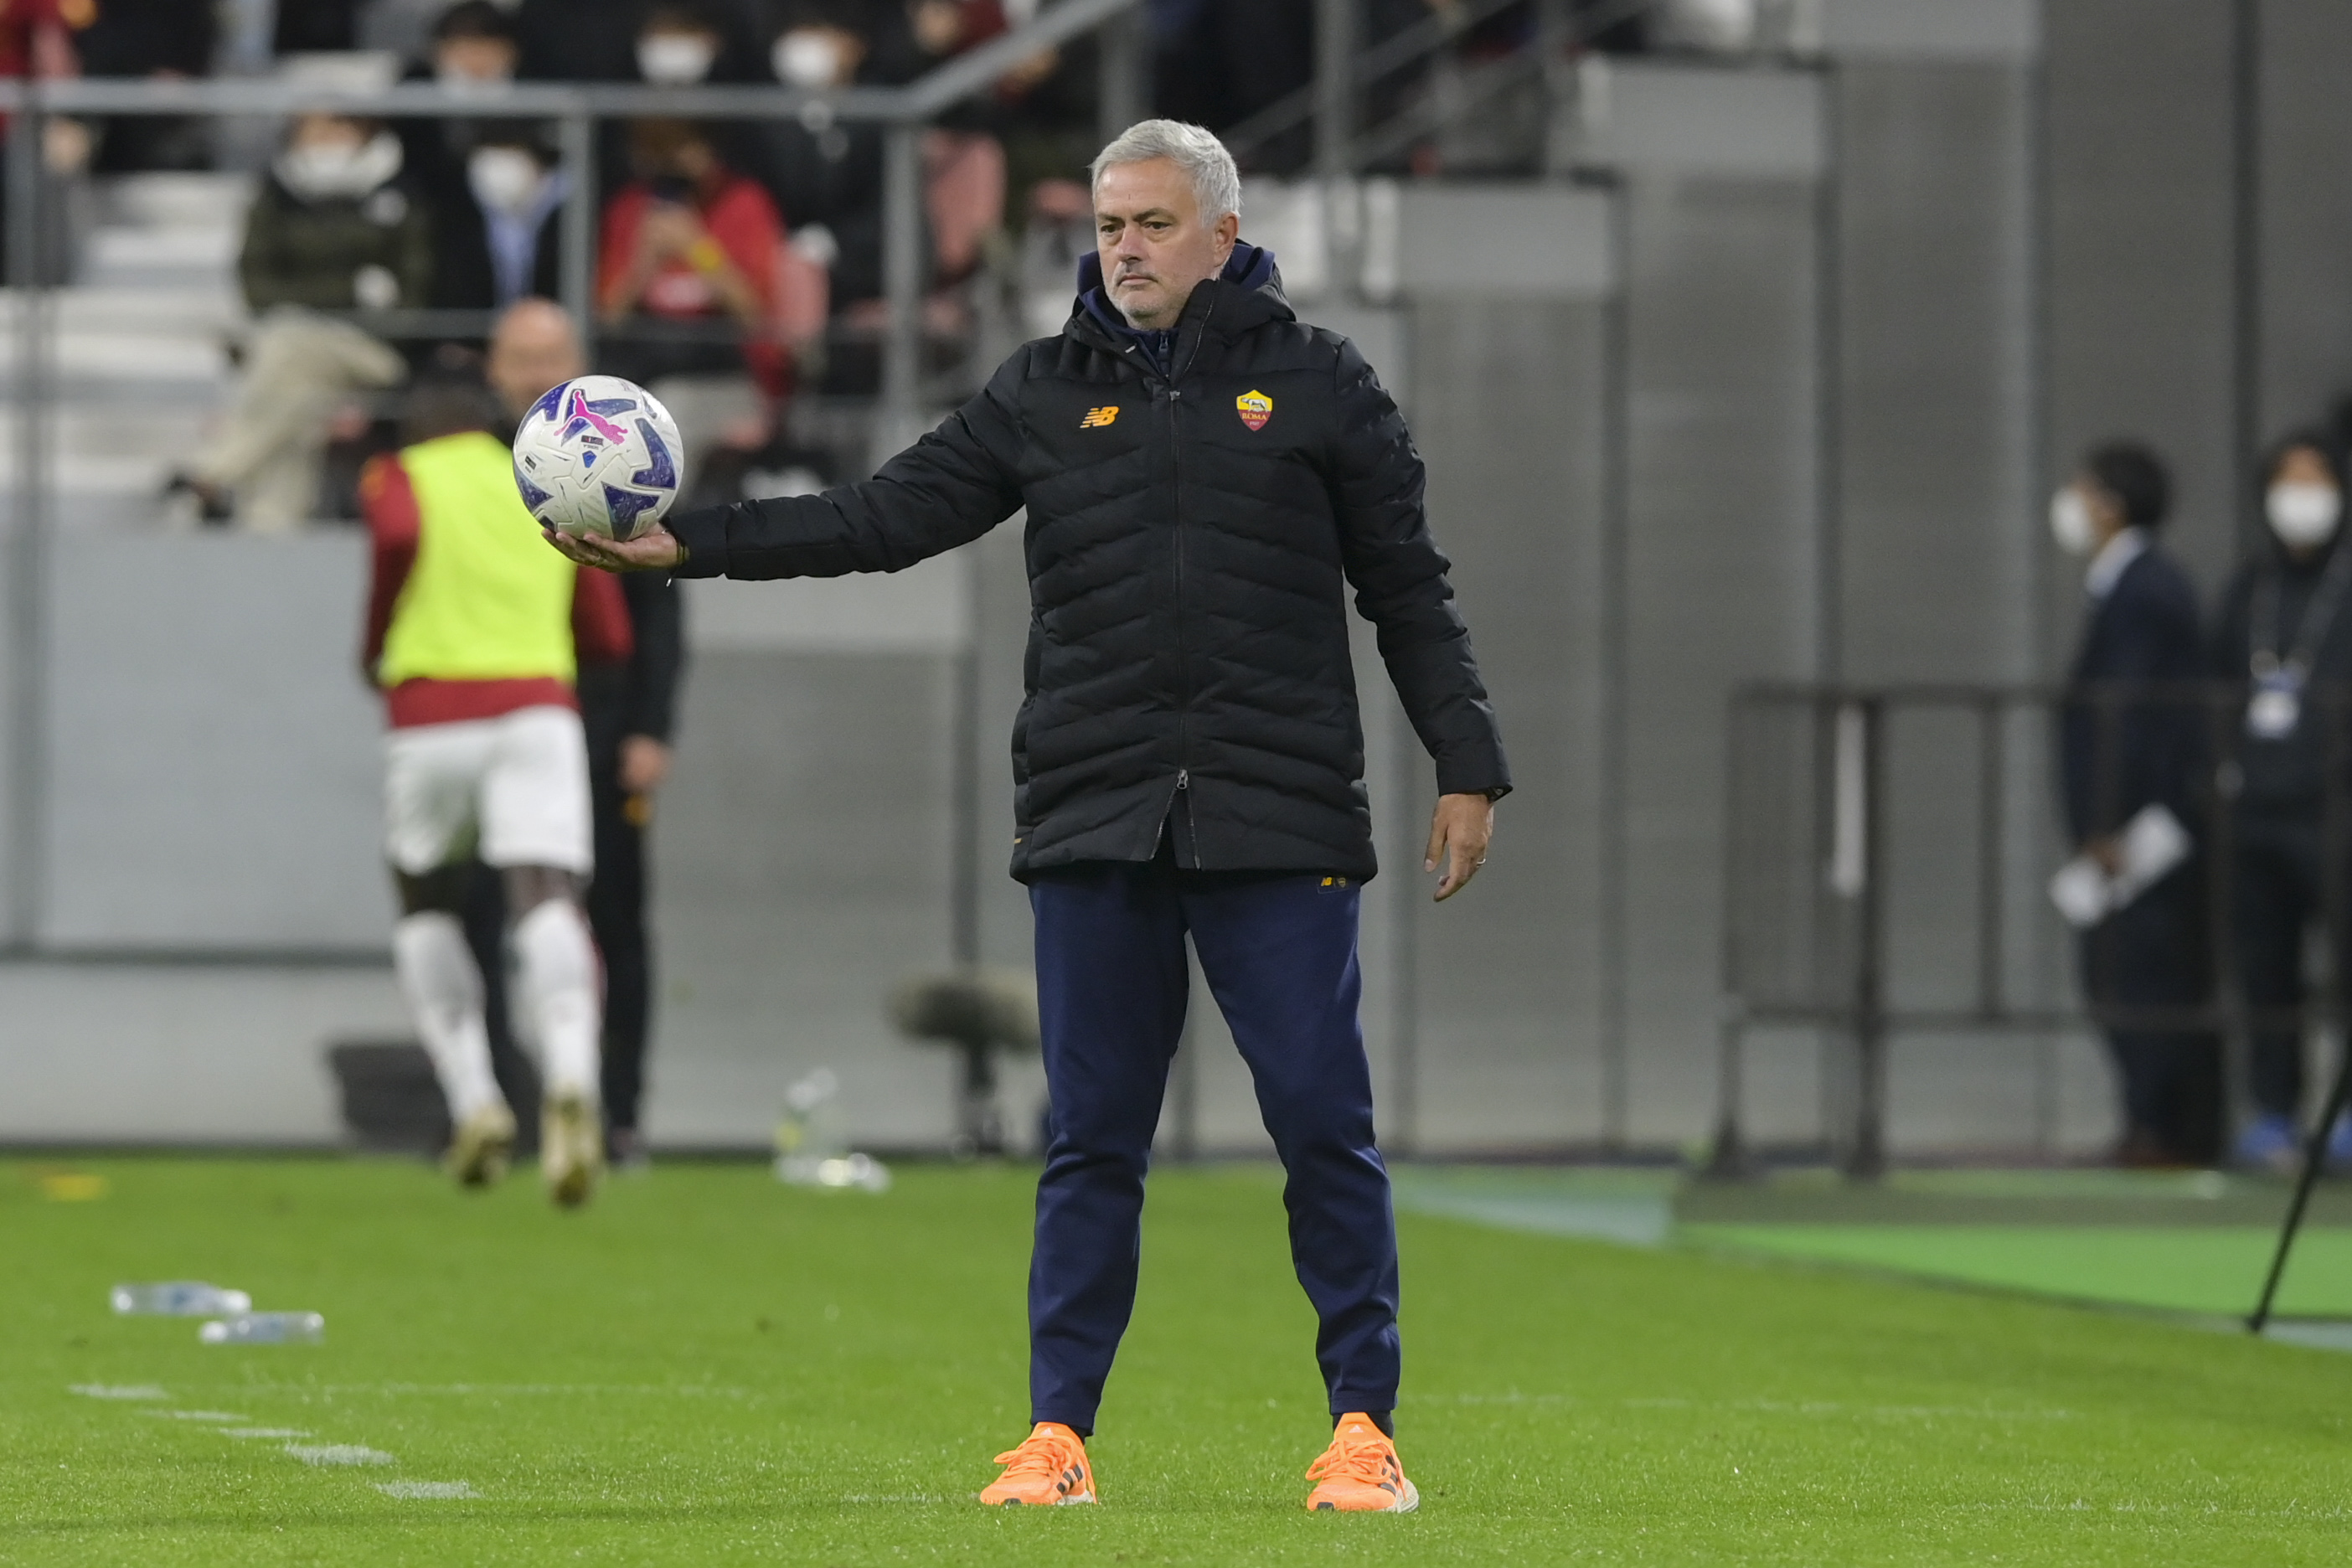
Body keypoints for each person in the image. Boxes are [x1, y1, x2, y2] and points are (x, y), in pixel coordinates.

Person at [552, 119, 1509, 1512]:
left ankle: (1363, 1429)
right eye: (1108, 225)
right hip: (1093, 813)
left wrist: (1465, 762)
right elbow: (880, 517)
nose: (1122, 246)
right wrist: (685, 543)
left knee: (1318, 1121)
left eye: (1150, 224)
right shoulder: (1040, 393)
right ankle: (1057, 1438)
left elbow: (1409, 588)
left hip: (1279, 814)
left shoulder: (1320, 385)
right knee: (1090, 1140)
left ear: (1221, 237)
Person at [363, 302, 632, 1206]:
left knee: (425, 900)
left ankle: (475, 1096)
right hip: (535, 707)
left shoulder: (399, 476)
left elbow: (397, 540)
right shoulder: (540, 482)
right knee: (546, 893)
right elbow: (605, 624)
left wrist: (377, 645)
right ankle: (573, 1078)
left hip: (430, 710)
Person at [2050, 441, 2220, 1167]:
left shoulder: (2149, 591)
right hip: (2131, 825)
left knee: (2145, 974)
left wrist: (2111, 821)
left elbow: (2138, 718)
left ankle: (2167, 1127)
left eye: (2083, 491)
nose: (2072, 505)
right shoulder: (2128, 587)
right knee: (2119, 971)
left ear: (2112, 505)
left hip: (2146, 831)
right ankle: (2151, 1122)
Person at [170, 112, 430, 529]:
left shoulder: (401, 196)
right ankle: (270, 527)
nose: (327, 141)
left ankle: (212, 472)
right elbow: (255, 281)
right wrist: (351, 293)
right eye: (316, 130)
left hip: (374, 349)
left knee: (287, 347)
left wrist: (315, 307)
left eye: (339, 128)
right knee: (300, 394)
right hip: (295, 348)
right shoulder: (275, 196)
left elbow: (415, 290)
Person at [2212, 432, 2352, 1172]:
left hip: (2336, 811)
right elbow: (2213, 688)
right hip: (2257, 810)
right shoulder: (2251, 588)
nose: (2301, 496)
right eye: (2288, 480)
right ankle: (2274, 1113)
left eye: (2316, 478)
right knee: (2266, 972)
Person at [598, 116, 804, 467]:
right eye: (658, 152)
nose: (672, 164)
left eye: (682, 149)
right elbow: (609, 318)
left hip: (724, 376)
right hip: (642, 374)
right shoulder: (632, 207)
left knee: (668, 417)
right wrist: (644, 263)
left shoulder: (743, 203)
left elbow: (756, 315)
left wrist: (698, 248)